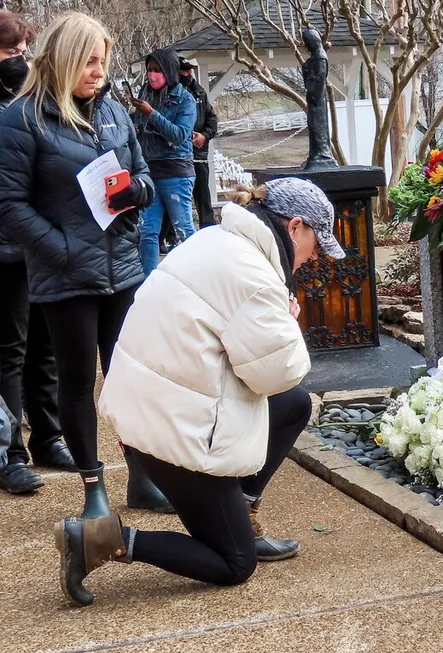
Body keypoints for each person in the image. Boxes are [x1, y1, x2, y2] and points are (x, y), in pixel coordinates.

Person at [55, 177, 346, 607]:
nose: (314, 258)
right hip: (172, 436)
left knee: (292, 407)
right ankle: (102, 540)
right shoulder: (254, 276)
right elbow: (278, 373)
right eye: (317, 245)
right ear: (295, 227)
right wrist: (289, 319)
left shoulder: (216, 239)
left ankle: (241, 514)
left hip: (151, 410)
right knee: (234, 563)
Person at [0, 12, 172, 516]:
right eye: (90, 61)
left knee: (128, 378)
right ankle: (94, 490)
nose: (99, 71)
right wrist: (61, 249)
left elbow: (141, 172)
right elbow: (9, 204)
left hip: (121, 265)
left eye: (103, 60)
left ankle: (141, 479)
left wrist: (137, 192)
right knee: (76, 383)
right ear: (64, 57)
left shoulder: (114, 112)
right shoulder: (21, 119)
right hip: (67, 274)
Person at [0, 10, 77, 496]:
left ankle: (49, 436)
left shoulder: (31, 102)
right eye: (12, 51)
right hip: (7, 246)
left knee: (45, 346)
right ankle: (10, 452)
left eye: (25, 50)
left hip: (40, 244)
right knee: (9, 349)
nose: (21, 60)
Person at [131, 47, 197, 275]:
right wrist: (134, 127)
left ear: (169, 71)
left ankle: (196, 276)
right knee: (147, 231)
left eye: (158, 70)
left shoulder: (185, 100)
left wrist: (152, 114)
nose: (152, 75)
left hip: (176, 171)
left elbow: (179, 135)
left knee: (183, 228)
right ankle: (148, 283)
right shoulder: (145, 95)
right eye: (149, 70)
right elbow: (139, 126)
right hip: (149, 171)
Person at [179, 57, 219, 227]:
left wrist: (203, 136)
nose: (189, 73)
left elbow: (212, 120)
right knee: (179, 195)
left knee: (203, 192)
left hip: (200, 151)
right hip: (179, 153)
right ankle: (171, 234)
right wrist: (187, 137)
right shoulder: (169, 92)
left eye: (190, 70)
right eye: (185, 70)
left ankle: (208, 225)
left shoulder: (199, 92)